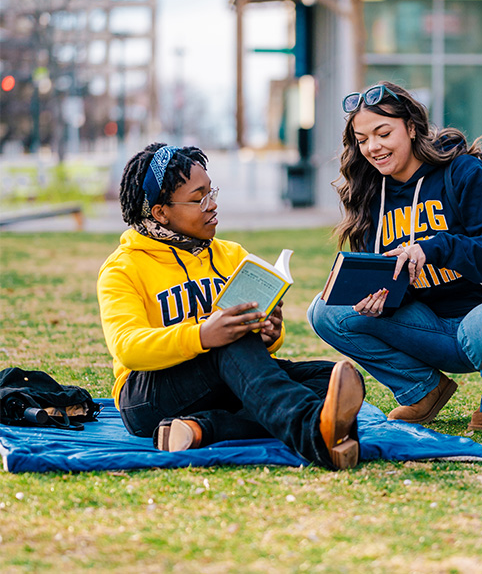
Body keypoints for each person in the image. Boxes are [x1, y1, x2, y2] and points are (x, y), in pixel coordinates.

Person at [97, 143, 364, 469]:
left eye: (212, 192)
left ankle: (201, 429)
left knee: (330, 378)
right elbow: (127, 348)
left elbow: (256, 354)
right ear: (160, 212)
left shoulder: (231, 255)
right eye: (199, 199)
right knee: (231, 343)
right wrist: (203, 336)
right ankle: (314, 435)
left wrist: (270, 334)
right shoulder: (122, 268)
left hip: (218, 385)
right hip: (147, 398)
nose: (213, 205)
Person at [307, 82, 482, 431]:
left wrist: (434, 248)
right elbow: (387, 279)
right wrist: (376, 295)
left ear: (411, 127)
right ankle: (423, 390)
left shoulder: (463, 172)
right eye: (362, 140)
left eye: (383, 133)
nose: (373, 147)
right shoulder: (371, 191)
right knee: (326, 310)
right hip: (429, 329)